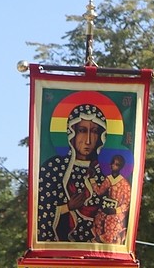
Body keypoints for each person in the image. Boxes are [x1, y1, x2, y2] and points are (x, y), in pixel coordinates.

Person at [37, 103, 109, 242]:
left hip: (95, 249)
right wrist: (67, 207)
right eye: (82, 130)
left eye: (94, 131)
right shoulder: (54, 168)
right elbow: (42, 212)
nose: (88, 140)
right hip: (61, 250)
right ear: (72, 132)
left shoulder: (103, 173)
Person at [94, 153, 132, 244]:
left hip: (117, 212)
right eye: (113, 163)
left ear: (120, 167)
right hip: (107, 208)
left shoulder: (124, 184)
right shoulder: (108, 179)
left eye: (117, 164)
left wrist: (115, 210)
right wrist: (92, 180)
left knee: (112, 223)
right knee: (98, 218)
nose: (114, 166)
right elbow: (99, 191)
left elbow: (126, 203)